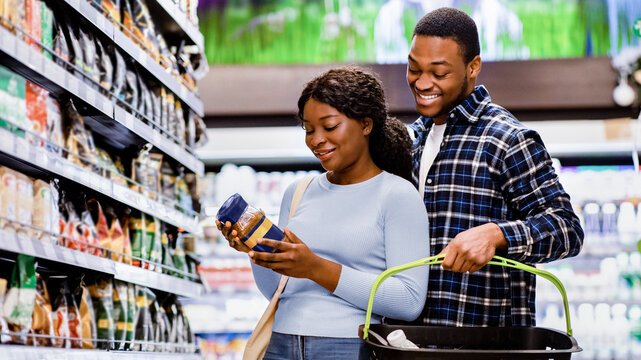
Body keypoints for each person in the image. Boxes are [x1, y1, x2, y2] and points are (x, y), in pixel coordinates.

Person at [216, 67, 430, 359]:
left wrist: (316, 268)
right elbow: (277, 291)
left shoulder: (397, 195)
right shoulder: (299, 191)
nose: (316, 140)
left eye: (329, 127)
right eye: (308, 129)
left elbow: (409, 300)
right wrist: (256, 252)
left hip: (350, 347)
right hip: (280, 344)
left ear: (366, 125)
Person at [402, 7, 584, 327]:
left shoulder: (507, 139)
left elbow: (567, 229)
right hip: (410, 341)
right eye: (414, 69)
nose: (422, 82)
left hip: (486, 345)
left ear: (473, 67)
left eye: (438, 72)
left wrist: (497, 234)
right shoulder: (412, 139)